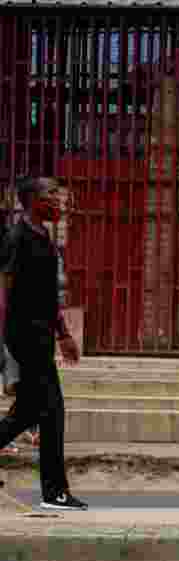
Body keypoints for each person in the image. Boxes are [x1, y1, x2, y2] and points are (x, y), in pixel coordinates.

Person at [0, 177, 84, 510]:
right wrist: (7, 346)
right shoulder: (17, 238)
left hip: (40, 335)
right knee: (52, 410)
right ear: (34, 200)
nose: (58, 201)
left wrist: (62, 334)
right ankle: (54, 493)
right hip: (24, 336)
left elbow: (48, 298)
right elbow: (4, 293)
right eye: (51, 195)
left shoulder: (44, 237)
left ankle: (54, 492)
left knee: (27, 412)